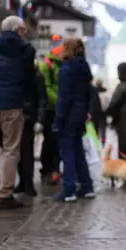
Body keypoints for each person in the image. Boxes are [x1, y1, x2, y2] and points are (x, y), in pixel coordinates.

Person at [0, 15, 36, 209]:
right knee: (11, 150)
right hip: (12, 103)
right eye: (23, 30)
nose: (25, 33)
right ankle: (6, 194)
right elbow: (30, 79)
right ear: (17, 30)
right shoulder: (26, 49)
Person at [53, 38, 94, 202]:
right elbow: (88, 94)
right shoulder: (84, 67)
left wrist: (58, 120)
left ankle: (68, 189)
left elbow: (64, 97)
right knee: (78, 151)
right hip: (80, 114)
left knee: (68, 152)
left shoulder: (66, 68)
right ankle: (86, 186)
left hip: (69, 115)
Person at [16, 57, 47, 197]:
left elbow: (42, 98)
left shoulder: (37, 76)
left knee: (26, 153)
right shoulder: (19, 74)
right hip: (18, 116)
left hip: (28, 118)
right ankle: (23, 182)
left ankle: (27, 183)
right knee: (17, 153)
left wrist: (39, 119)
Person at [38, 45, 63, 185]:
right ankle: (48, 168)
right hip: (49, 110)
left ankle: (53, 168)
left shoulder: (59, 65)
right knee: (51, 140)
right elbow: (46, 89)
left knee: (55, 140)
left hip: (57, 108)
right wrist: (59, 102)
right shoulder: (46, 66)